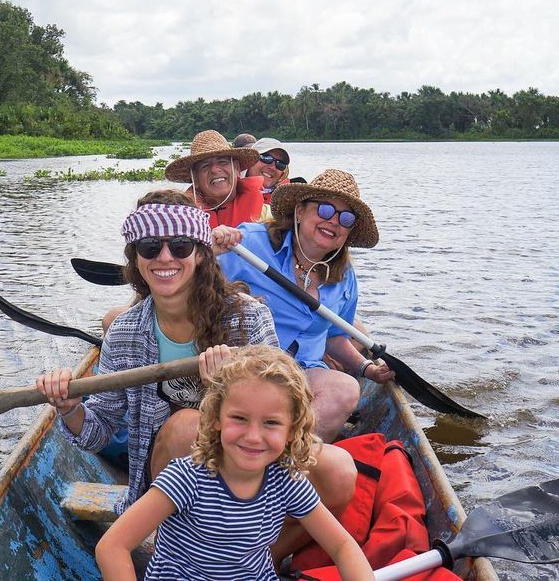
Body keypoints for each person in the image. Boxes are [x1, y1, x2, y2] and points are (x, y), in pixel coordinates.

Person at [36, 197, 279, 514]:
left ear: (201, 256)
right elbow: (97, 434)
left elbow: (285, 409)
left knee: (337, 467)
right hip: (166, 477)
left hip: (251, 458)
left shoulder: (248, 318)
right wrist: (69, 410)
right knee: (186, 427)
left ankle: (258, 556)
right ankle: (176, 536)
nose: (165, 258)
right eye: (150, 247)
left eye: (180, 246)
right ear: (136, 259)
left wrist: (229, 389)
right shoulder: (125, 332)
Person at [95, 345, 372, 581]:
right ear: (216, 419)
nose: (253, 437)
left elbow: (342, 545)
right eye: (239, 418)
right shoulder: (186, 478)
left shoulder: (287, 481)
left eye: (271, 423)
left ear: (291, 430)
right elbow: (113, 546)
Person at [214, 169, 395, 443]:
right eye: (325, 210)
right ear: (299, 211)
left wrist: (366, 369)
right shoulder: (248, 244)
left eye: (345, 218)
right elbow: (191, 282)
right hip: (244, 367)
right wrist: (212, 247)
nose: (333, 221)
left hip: (303, 374)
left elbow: (335, 337)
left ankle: (286, 460)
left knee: (345, 389)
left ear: (348, 232)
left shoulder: (344, 278)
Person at [164, 130, 264, 228]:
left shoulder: (266, 215)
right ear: (195, 178)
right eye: (205, 166)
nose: (215, 170)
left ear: (237, 168)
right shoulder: (177, 218)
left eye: (222, 162)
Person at [245, 136, 292, 207]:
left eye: (280, 164)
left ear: (282, 174)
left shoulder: (289, 202)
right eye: (266, 158)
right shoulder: (228, 191)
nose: (272, 167)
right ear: (250, 159)